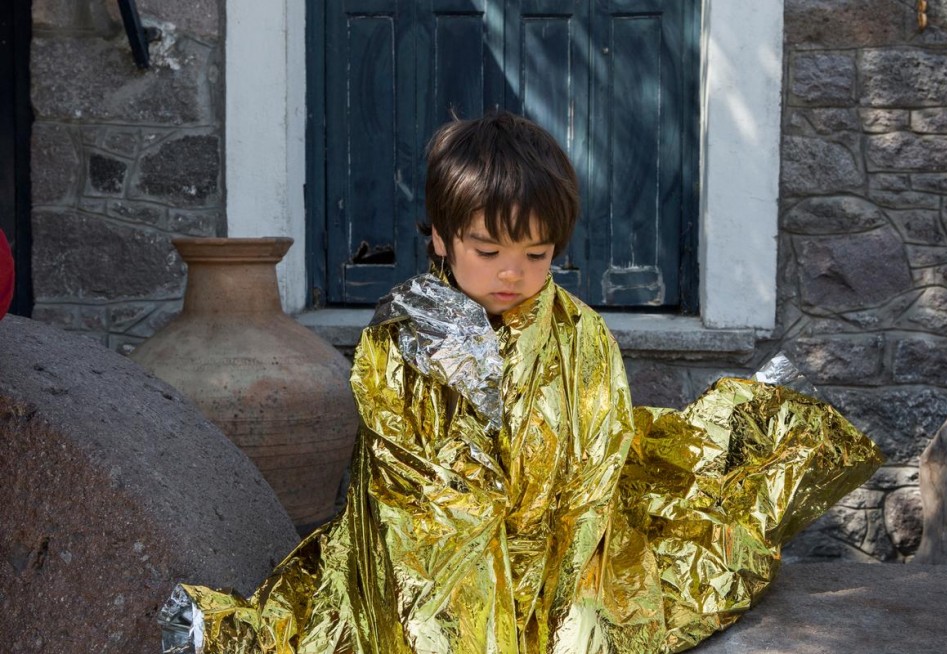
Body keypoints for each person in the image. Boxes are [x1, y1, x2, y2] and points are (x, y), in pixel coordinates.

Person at [158, 112, 882, 654]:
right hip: (433, 539)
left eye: (537, 254)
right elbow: (417, 494)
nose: (513, 273)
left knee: (625, 597)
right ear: (439, 237)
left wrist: (559, 579)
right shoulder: (405, 334)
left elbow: (591, 461)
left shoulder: (578, 331)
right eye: (488, 249)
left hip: (559, 535)